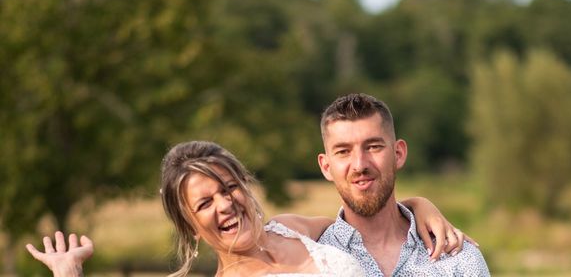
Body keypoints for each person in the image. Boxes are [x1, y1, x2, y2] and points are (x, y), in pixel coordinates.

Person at [27, 140, 472, 276]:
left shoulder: (292, 227)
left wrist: (419, 205)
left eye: (228, 187)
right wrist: (70, 275)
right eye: (204, 202)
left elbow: (368, 216)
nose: (224, 204)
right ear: (191, 226)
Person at [317, 92, 490, 276]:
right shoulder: (309, 265)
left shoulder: (460, 259)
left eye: (373, 147)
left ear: (398, 154)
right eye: (343, 151)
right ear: (326, 166)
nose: (360, 165)